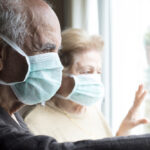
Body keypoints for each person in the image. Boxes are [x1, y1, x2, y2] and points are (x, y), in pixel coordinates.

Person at [0, 0, 150, 150]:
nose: (56, 65)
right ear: (2, 55)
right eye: (46, 50)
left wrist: (123, 133)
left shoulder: (14, 116)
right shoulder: (32, 121)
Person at [24, 28, 148, 142]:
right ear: (59, 74)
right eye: (87, 72)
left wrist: (124, 131)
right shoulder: (35, 124)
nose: (94, 79)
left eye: (98, 72)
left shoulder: (92, 111)